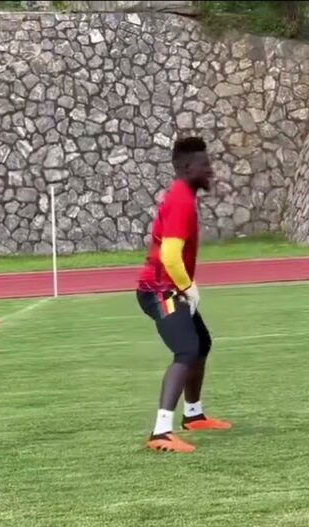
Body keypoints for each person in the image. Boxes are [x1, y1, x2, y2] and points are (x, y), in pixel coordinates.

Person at [135, 136, 231, 453]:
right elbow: (170, 256)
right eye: (205, 166)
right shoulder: (180, 201)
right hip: (159, 289)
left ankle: (193, 415)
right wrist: (188, 287)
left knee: (201, 343)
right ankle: (161, 431)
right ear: (187, 168)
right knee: (187, 349)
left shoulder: (184, 197)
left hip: (169, 286)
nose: (211, 171)